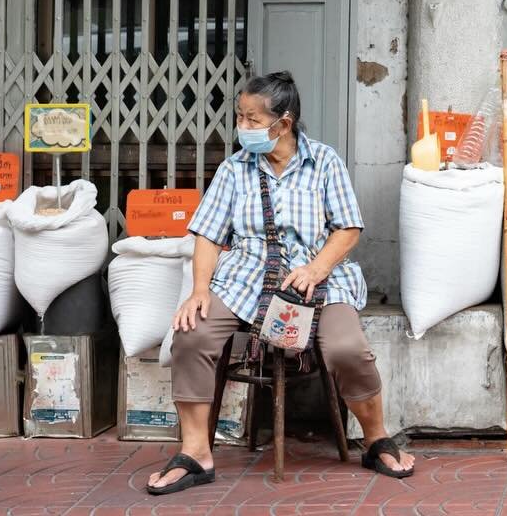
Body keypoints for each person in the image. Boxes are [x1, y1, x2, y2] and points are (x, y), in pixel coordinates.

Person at [147, 71, 415, 494]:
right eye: (240, 116)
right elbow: (208, 236)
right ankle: (196, 452)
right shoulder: (234, 169)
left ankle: (376, 438)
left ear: (283, 123)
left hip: (317, 276)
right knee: (192, 335)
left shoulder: (325, 162)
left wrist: (315, 269)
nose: (242, 126)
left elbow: (348, 229)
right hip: (246, 278)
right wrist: (199, 290)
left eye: (252, 119)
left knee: (347, 349)